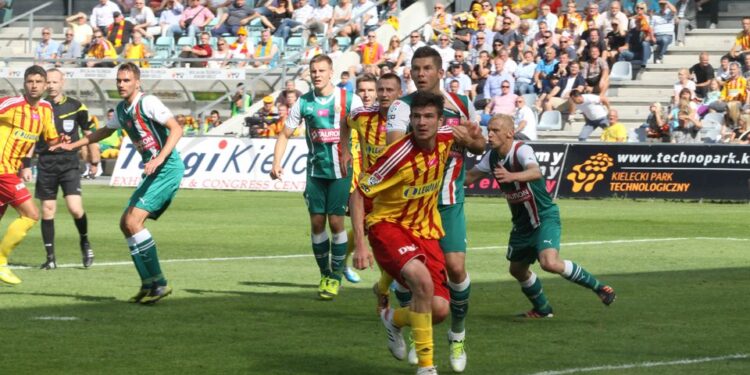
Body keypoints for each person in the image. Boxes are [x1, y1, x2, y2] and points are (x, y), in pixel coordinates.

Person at [351, 92, 467, 375]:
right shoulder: (396, 156)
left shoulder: (446, 137)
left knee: (438, 309)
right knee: (421, 280)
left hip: (425, 229)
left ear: (440, 121)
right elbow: (357, 195)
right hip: (388, 225)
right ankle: (427, 368)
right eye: (416, 117)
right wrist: (360, 244)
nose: (421, 123)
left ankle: (392, 318)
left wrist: (476, 137)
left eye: (428, 117)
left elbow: (476, 144)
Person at [386, 46, 486, 373]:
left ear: (440, 71)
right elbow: (395, 146)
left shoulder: (462, 104)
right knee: (411, 276)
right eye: (416, 68)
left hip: (449, 200)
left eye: (427, 68)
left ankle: (457, 335)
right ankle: (417, 332)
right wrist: (442, 135)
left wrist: (467, 139)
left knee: (456, 269)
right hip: (413, 204)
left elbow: (480, 144)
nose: (421, 74)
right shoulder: (402, 107)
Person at [51, 63, 184, 304]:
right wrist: (73, 145)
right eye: (119, 80)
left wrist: (160, 158)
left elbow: (176, 129)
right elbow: (104, 132)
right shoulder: (122, 110)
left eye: (126, 80)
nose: (121, 84)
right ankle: (147, 284)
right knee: (125, 223)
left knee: (134, 221)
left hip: (167, 168)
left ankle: (160, 283)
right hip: (154, 171)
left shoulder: (148, 102)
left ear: (137, 82)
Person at [465, 114, 616, 319]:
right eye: (488, 130)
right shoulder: (491, 158)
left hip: (544, 216)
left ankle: (600, 287)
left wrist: (512, 176)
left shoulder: (521, 150)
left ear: (510, 132)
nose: (489, 134)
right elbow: (469, 177)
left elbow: (535, 172)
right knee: (517, 270)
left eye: (495, 130)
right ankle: (542, 309)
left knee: (549, 262)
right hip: (522, 224)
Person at [271, 54, 363, 300]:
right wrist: (276, 162)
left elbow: (366, 131)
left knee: (336, 223)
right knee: (316, 223)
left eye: (322, 70)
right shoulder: (303, 103)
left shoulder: (350, 100)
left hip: (341, 171)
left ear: (331, 72)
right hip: (315, 171)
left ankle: (336, 275)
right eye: (313, 71)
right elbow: (284, 134)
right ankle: (325, 274)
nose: (317, 74)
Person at [339, 73, 402, 287]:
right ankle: (387, 280)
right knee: (371, 231)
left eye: (388, 90)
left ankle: (387, 280)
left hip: (398, 190)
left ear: (399, 94)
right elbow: (344, 122)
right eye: (381, 90)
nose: (384, 94)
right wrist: (345, 149)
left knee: (385, 233)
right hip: (370, 187)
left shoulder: (409, 117)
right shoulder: (362, 116)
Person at [0, 66, 62, 285]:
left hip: (11, 169)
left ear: (46, 85)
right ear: (24, 84)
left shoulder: (46, 109)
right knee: (31, 215)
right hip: (2, 170)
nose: (34, 85)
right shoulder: (11, 104)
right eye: (30, 81)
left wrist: (62, 142)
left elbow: (52, 139)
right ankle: (1, 262)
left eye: (38, 81)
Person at [35, 69, 97, 270]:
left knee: (75, 208)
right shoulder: (38, 106)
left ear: (62, 83)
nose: (51, 85)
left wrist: (94, 159)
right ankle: (50, 257)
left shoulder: (76, 106)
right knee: (47, 210)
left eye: (55, 82)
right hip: (46, 163)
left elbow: (90, 133)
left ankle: (85, 241)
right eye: (48, 82)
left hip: (69, 163)